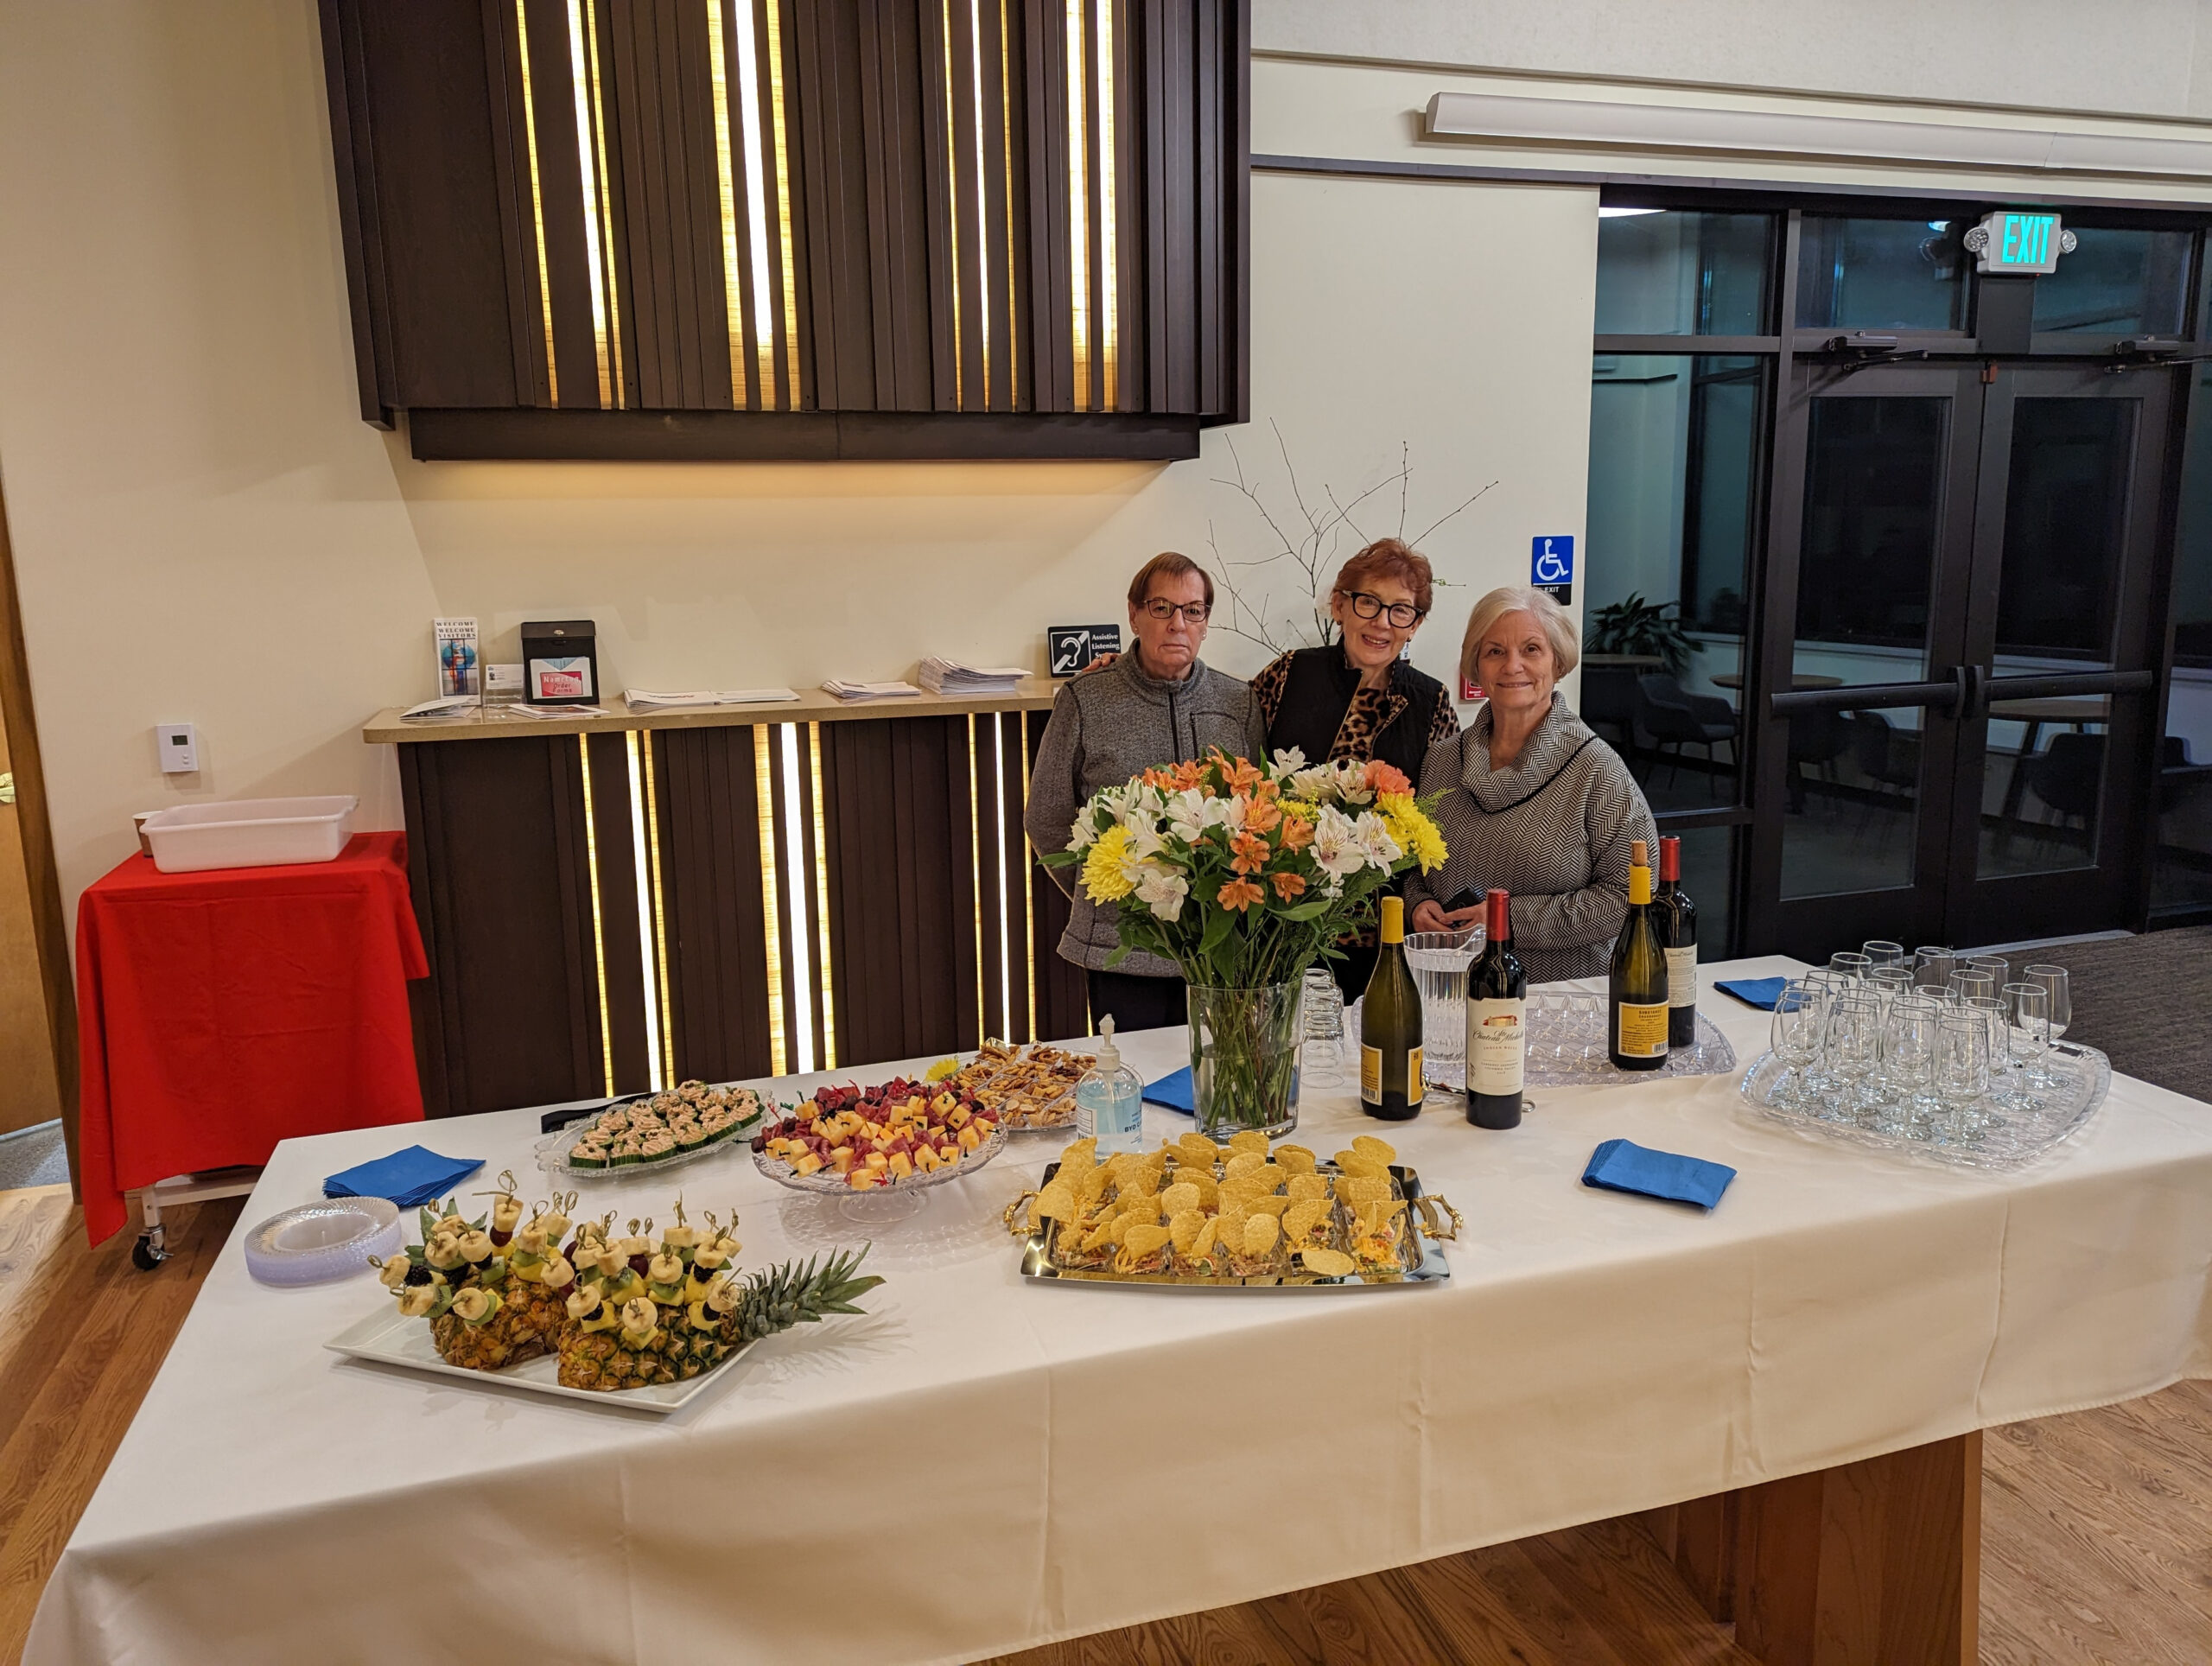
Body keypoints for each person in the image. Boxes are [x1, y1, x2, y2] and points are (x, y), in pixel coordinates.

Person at [1026, 551, 1268, 1033]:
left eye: (1192, 610)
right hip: (1125, 947)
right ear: (1135, 615)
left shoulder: (1237, 701)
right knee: (1133, 1087)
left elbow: (1261, 811)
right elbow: (1047, 816)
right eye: (1162, 608)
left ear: (1205, 623)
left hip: (1218, 949)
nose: (1178, 623)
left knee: (1219, 1084)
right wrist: (1104, 889)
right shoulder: (1085, 699)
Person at [1407, 585, 1658, 983]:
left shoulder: (1598, 771)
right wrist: (1418, 904)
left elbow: (1627, 897)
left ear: (1558, 663)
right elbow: (1413, 867)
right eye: (1494, 651)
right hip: (1450, 989)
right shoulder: (1440, 760)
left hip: (1560, 1000)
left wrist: (1507, 919)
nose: (1512, 666)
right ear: (1476, 665)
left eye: (1531, 649)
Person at [1248, 537, 1459, 996]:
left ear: (1415, 625)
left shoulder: (1431, 700)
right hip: (1282, 916)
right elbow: (1232, 752)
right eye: (1369, 603)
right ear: (1339, 606)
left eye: (1401, 610)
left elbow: (1442, 817)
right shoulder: (1288, 675)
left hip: (1383, 925)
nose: (1382, 622)